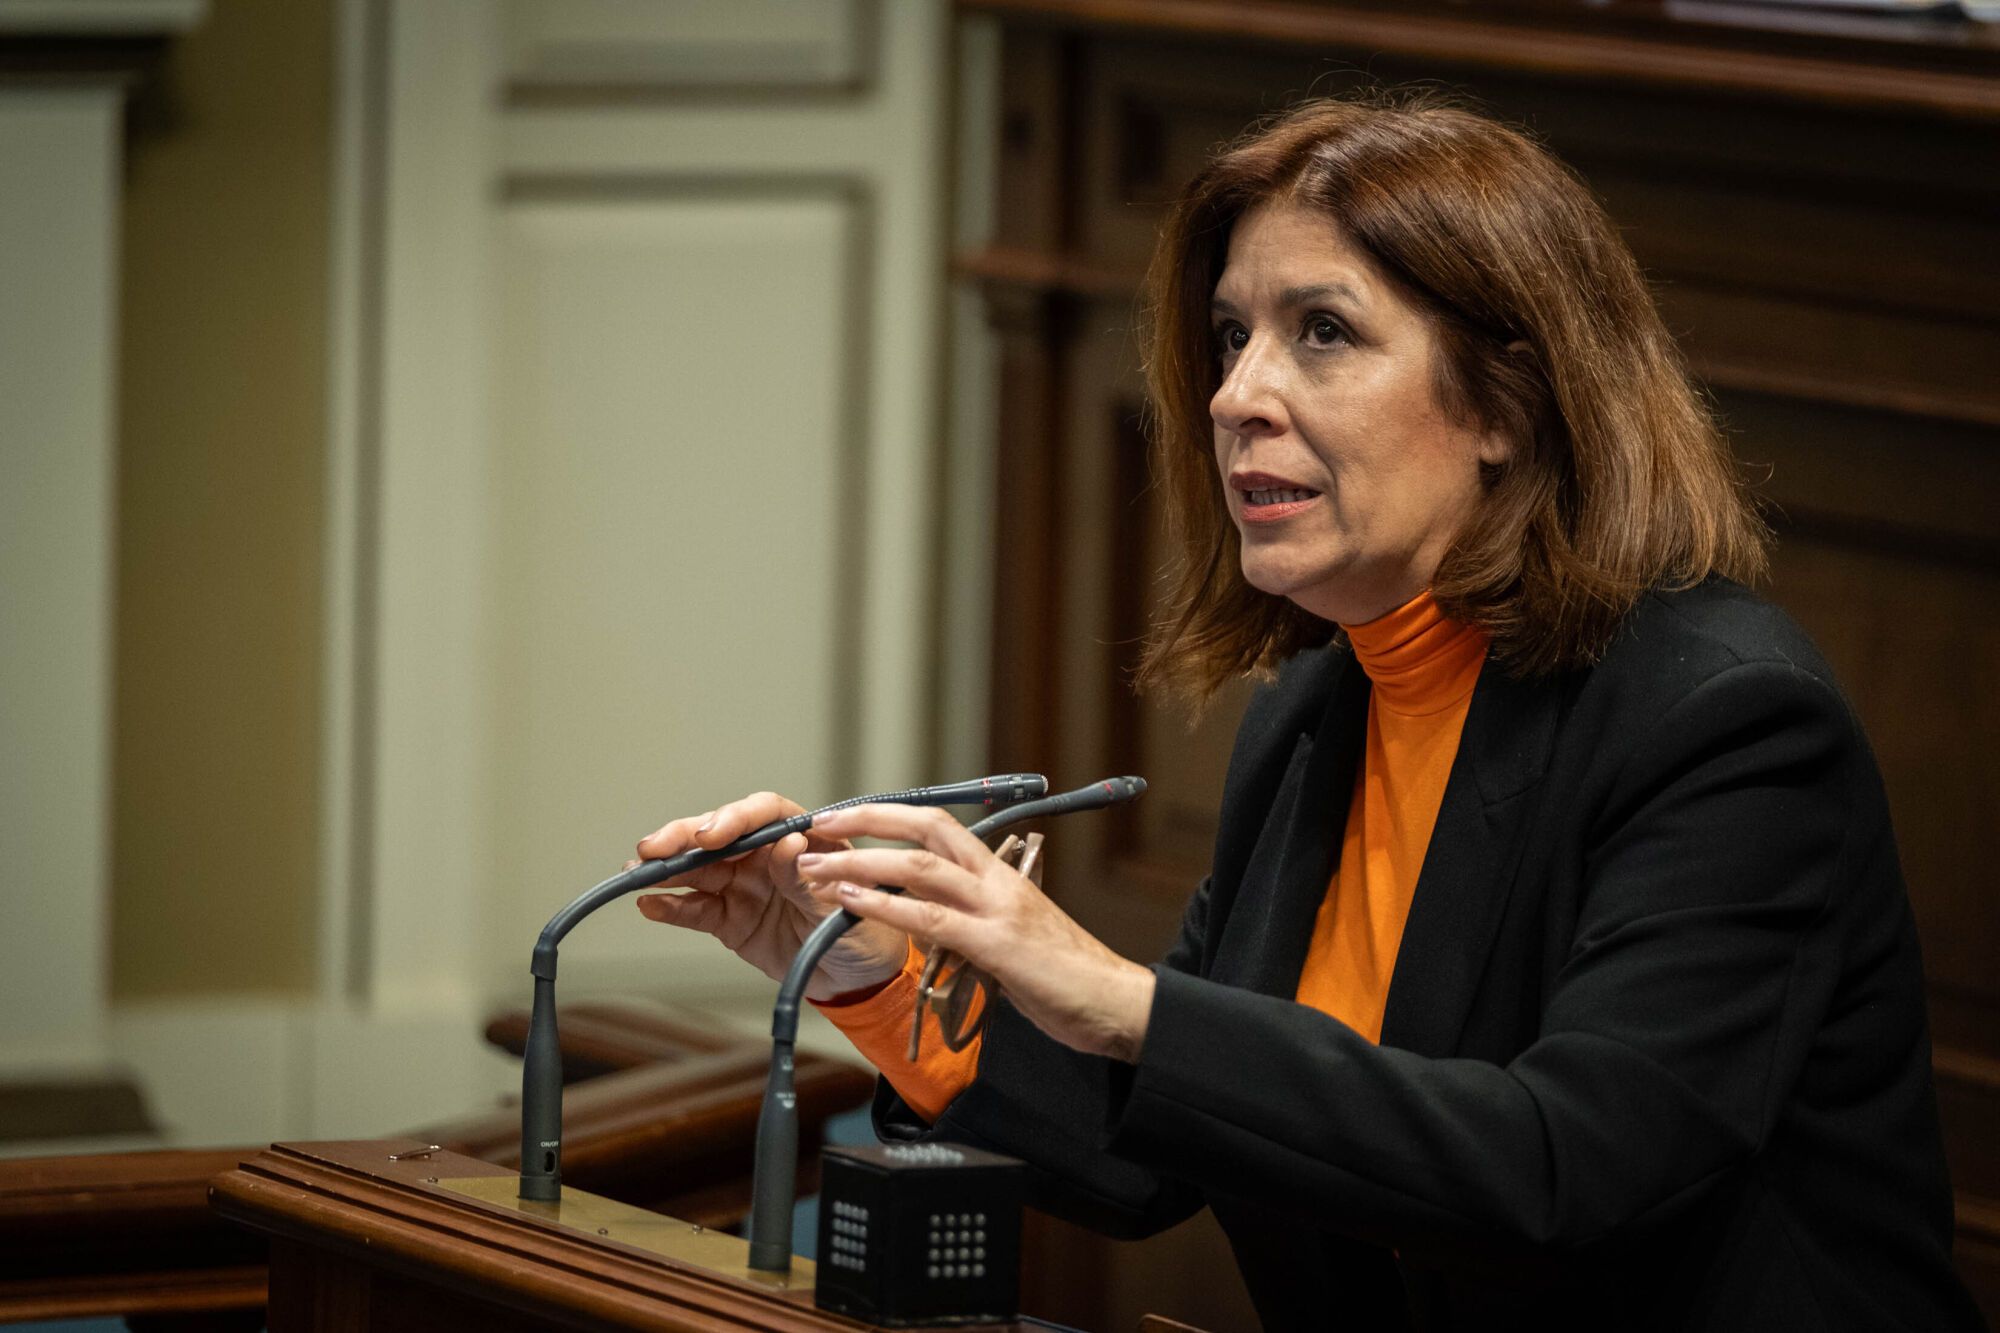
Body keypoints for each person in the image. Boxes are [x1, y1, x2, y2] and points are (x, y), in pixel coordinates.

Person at [630, 95, 1980, 1330]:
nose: (1234, 396)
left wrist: (1119, 993)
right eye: (1232, 337)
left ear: (1509, 396)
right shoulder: (1321, 713)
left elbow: (1566, 1167)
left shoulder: (1728, 726)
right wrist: (870, 975)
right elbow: (1153, 1146)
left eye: (1319, 334)